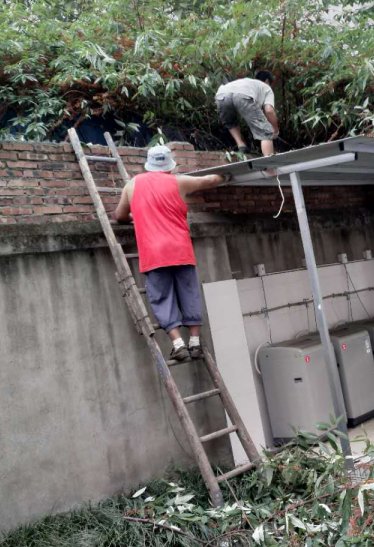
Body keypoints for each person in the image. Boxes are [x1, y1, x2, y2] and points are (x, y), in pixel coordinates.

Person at [114, 145, 231, 361]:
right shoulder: (179, 182)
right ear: (169, 166)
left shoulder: (132, 185)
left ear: (148, 165)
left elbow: (119, 215)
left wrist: (137, 215)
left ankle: (178, 345)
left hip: (153, 253)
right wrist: (226, 176)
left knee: (161, 297)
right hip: (180, 250)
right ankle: (194, 342)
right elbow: (209, 180)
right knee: (189, 293)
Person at [215, 71, 279, 156]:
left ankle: (241, 146)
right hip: (242, 95)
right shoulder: (266, 87)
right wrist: (275, 130)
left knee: (231, 123)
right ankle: (269, 161)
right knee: (266, 132)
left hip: (221, 95)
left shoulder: (248, 82)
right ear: (267, 81)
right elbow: (269, 110)